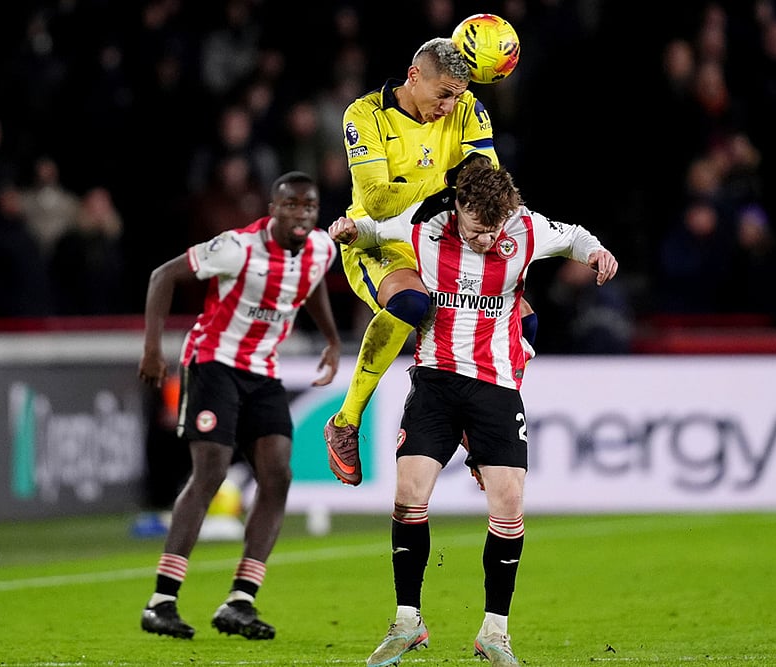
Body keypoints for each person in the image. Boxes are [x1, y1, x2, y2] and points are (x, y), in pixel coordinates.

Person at [328, 159, 618, 667]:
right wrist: (350, 230)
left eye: (494, 230)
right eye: (478, 231)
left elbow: (574, 236)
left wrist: (596, 252)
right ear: (458, 207)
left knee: (508, 506)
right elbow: (375, 229)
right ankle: (407, 621)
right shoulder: (426, 221)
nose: (486, 241)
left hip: (496, 387)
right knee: (408, 494)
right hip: (436, 379)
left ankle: (495, 633)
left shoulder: (524, 227)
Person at [324, 36, 536, 487]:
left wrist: (455, 188)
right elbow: (379, 201)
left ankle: (477, 425)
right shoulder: (365, 115)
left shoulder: (468, 108)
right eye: (443, 95)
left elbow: (487, 183)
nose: (448, 106)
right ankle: (345, 420)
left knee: (525, 322)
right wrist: (448, 180)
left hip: (444, 238)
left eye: (457, 96)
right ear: (414, 77)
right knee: (411, 305)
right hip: (378, 239)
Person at [138, 171, 341, 640]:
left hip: (262, 371)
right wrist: (152, 349)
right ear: (273, 208)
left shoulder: (321, 250)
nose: (301, 214)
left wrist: (331, 339)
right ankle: (162, 600)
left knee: (278, 475)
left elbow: (310, 286)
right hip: (213, 363)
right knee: (210, 470)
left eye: (309, 207)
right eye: (291, 205)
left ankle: (240, 601)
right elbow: (162, 275)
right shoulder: (237, 247)